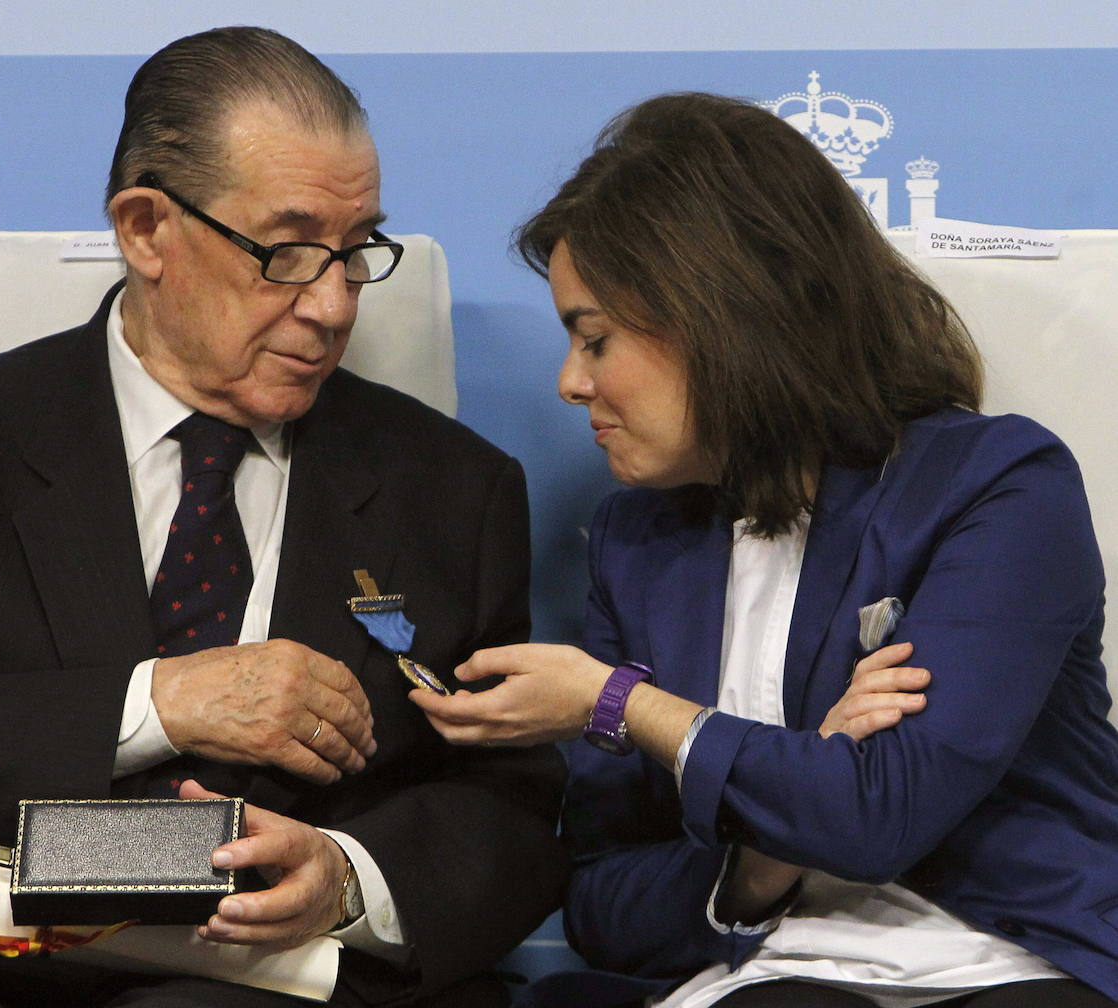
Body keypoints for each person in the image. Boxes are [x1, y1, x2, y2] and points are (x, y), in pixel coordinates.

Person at [0, 27, 566, 1008]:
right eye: (291, 252)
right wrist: (160, 701)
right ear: (147, 230)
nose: (335, 305)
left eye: (357, 252)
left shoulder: (449, 487)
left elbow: (513, 813)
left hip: (269, 975)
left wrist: (349, 877)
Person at [411, 92, 1118, 1008]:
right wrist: (761, 856)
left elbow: (879, 815)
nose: (570, 382)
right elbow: (602, 905)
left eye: (596, 338)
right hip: (767, 977)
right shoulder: (638, 540)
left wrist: (622, 704)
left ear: (721, 317)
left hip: (1012, 964)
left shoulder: (998, 485)